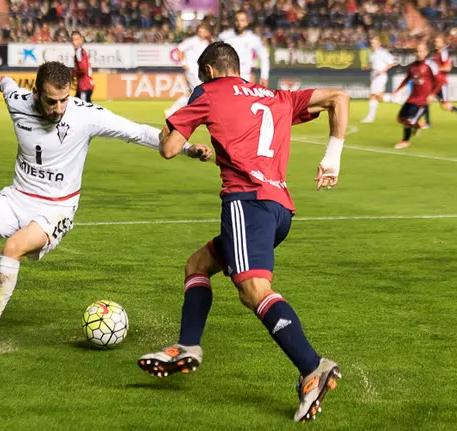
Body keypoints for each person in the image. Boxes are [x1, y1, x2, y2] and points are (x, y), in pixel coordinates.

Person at [138, 42, 348, 423]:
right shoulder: (274, 96)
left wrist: (172, 125)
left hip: (245, 204)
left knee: (254, 291)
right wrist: (331, 158)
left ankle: (312, 367)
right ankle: (187, 346)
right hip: (280, 209)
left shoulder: (208, 92)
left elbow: (168, 148)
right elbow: (339, 97)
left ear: (209, 71)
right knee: (197, 265)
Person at [0, 61, 212, 361]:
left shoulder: (84, 115)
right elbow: (5, 82)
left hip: (56, 208)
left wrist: (187, 148)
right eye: (51, 101)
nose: (59, 108)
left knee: (12, 250)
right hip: (17, 197)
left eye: (64, 99)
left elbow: (137, 132)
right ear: (36, 94)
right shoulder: (17, 101)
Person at [393, 43, 442, 149]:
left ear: (426, 52)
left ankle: (405, 141)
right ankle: (418, 125)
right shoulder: (412, 66)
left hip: (422, 101)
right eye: (417, 51)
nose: (419, 53)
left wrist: (432, 94)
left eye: (421, 51)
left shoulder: (430, 65)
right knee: (400, 118)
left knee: (408, 121)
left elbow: (440, 81)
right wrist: (397, 90)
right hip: (412, 98)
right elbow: (407, 79)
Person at [420, 35, 457, 128]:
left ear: (443, 43)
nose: (436, 43)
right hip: (435, 82)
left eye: (438, 42)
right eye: (436, 41)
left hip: (441, 83)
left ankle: (426, 123)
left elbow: (447, 67)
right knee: (429, 101)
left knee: (444, 105)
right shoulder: (437, 53)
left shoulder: (443, 53)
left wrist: (435, 68)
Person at [164, 22, 211, 118]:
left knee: (193, 93)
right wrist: (183, 63)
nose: (201, 33)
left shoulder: (206, 43)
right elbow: (179, 49)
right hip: (192, 69)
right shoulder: (192, 40)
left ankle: (172, 110)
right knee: (198, 92)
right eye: (199, 31)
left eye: (203, 31)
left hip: (200, 70)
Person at [218, 10, 270, 87]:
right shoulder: (224, 36)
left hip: (245, 77)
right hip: (227, 76)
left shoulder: (253, 38)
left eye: (242, 20)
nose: (239, 23)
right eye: (237, 20)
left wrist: (264, 77)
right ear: (234, 21)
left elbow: (264, 57)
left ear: (246, 22)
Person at [361, 35, 394, 123]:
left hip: (380, 77)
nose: (373, 45)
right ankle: (396, 98)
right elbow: (373, 65)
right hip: (374, 76)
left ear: (379, 43)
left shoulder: (383, 52)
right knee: (379, 97)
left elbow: (391, 63)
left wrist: (382, 71)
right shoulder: (372, 54)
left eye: (374, 43)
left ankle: (370, 117)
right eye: (372, 43)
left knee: (373, 95)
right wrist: (368, 67)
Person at [71, 31, 94, 102]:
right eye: (73, 40)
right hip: (84, 85)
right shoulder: (81, 51)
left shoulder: (79, 52)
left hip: (84, 85)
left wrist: (74, 74)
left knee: (83, 106)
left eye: (76, 39)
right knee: (77, 104)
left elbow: (83, 69)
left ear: (81, 40)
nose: (74, 42)